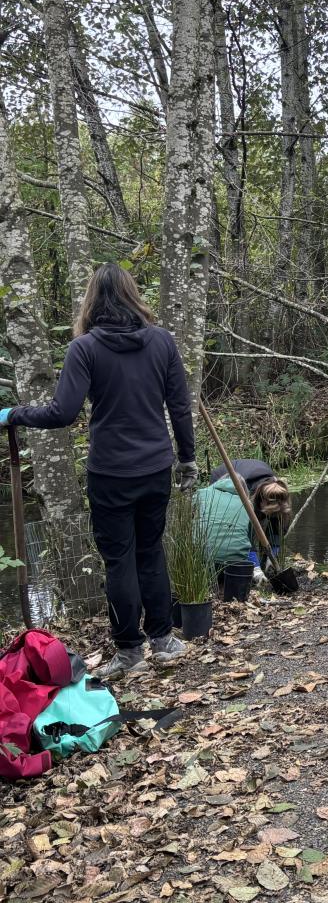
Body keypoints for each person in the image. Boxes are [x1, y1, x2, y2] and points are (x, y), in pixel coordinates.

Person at [0, 264, 197, 678]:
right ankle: (163, 640)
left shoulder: (85, 348)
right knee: (150, 550)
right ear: (132, 295)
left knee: (119, 559)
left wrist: (13, 414)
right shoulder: (162, 341)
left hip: (110, 472)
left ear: (92, 300)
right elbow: (180, 406)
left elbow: (62, 412)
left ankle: (130, 652)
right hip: (156, 466)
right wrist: (187, 458)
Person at [199, 460, 292, 580]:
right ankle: (220, 563)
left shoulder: (276, 490)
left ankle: (265, 562)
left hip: (252, 474)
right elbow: (244, 535)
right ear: (261, 502)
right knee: (236, 526)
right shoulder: (248, 497)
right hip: (225, 475)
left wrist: (272, 556)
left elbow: (278, 529)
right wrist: (255, 567)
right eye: (267, 512)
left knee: (275, 518)